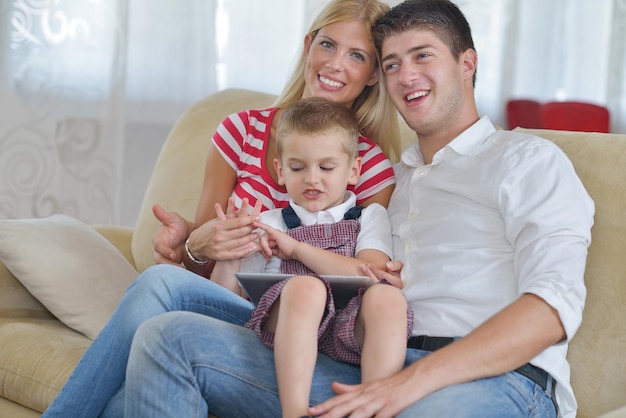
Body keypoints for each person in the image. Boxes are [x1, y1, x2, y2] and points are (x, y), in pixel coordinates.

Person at [118, 1, 594, 417]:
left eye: (422, 55)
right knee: (169, 339)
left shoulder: (528, 160)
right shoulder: (385, 182)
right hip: (367, 365)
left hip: (496, 380)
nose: (406, 75)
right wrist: (201, 250)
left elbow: (551, 310)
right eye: (390, 64)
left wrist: (410, 383)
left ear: (466, 62)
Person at [41, 1, 401, 417]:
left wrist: (296, 252)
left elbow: (367, 275)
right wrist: (192, 246)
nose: (336, 64)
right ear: (308, 47)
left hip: (309, 327)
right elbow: (209, 271)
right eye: (327, 44)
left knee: (125, 395)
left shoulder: (371, 167)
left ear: (374, 73)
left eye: (357, 55)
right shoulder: (241, 130)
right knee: (161, 280)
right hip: (231, 302)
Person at [211, 97, 413, 418]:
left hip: (348, 326)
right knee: (307, 288)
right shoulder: (270, 223)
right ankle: (294, 413)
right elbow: (227, 302)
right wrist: (228, 255)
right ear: (280, 171)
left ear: (353, 171)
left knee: (388, 298)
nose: (312, 178)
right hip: (289, 325)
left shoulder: (368, 216)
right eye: (297, 167)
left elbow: (371, 271)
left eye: (327, 167)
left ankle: (375, 409)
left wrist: (297, 249)